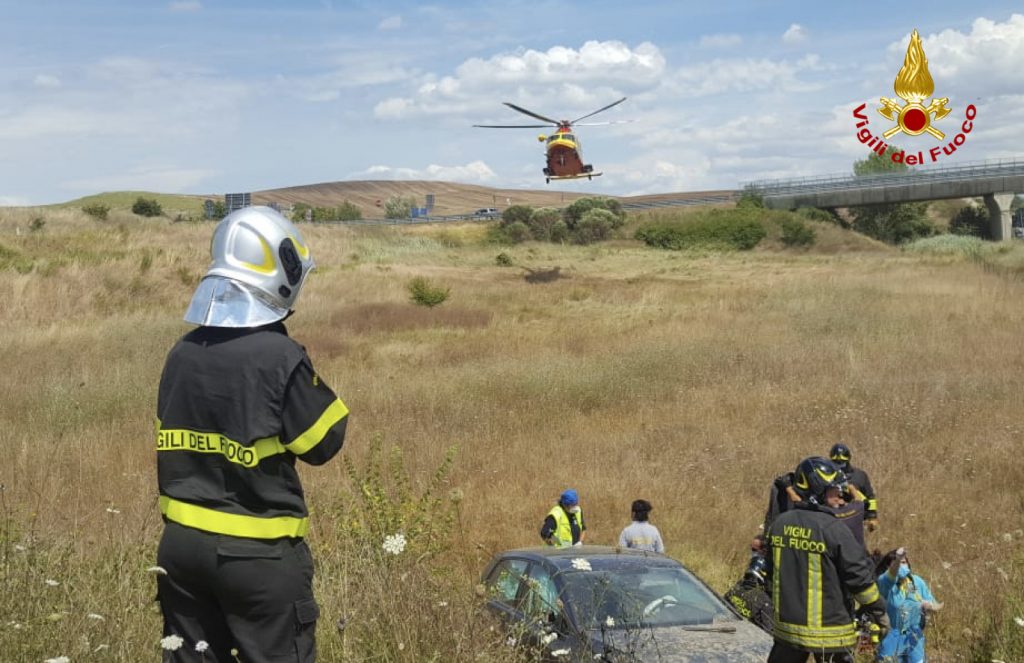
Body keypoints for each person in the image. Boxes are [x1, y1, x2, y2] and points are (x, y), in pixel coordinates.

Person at [155, 206, 350, 662]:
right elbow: (323, 443)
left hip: (180, 550)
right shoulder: (278, 355)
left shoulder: (181, 353)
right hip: (258, 556)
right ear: (280, 270)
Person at [765, 456, 889, 662]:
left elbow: (771, 573)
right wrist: (879, 611)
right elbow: (859, 578)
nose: (839, 495)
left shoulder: (779, 525)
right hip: (830, 633)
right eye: (833, 489)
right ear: (817, 490)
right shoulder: (834, 529)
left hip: (787, 632)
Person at [875, 547, 943, 663]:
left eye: (904, 562)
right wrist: (898, 559)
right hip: (891, 635)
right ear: (888, 567)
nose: (902, 566)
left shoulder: (916, 581)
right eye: (898, 563)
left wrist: (929, 607)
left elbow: (934, 605)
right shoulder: (885, 583)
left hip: (914, 635)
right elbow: (891, 575)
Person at [830, 443, 879, 531]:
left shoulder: (859, 476)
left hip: (855, 518)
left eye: (841, 463)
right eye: (836, 463)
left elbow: (870, 497)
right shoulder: (826, 475)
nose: (839, 466)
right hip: (833, 519)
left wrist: (872, 517)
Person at [723, 552, 773, 633]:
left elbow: (721, 607)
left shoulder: (736, 588)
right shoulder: (764, 600)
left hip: (725, 630)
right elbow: (767, 633)